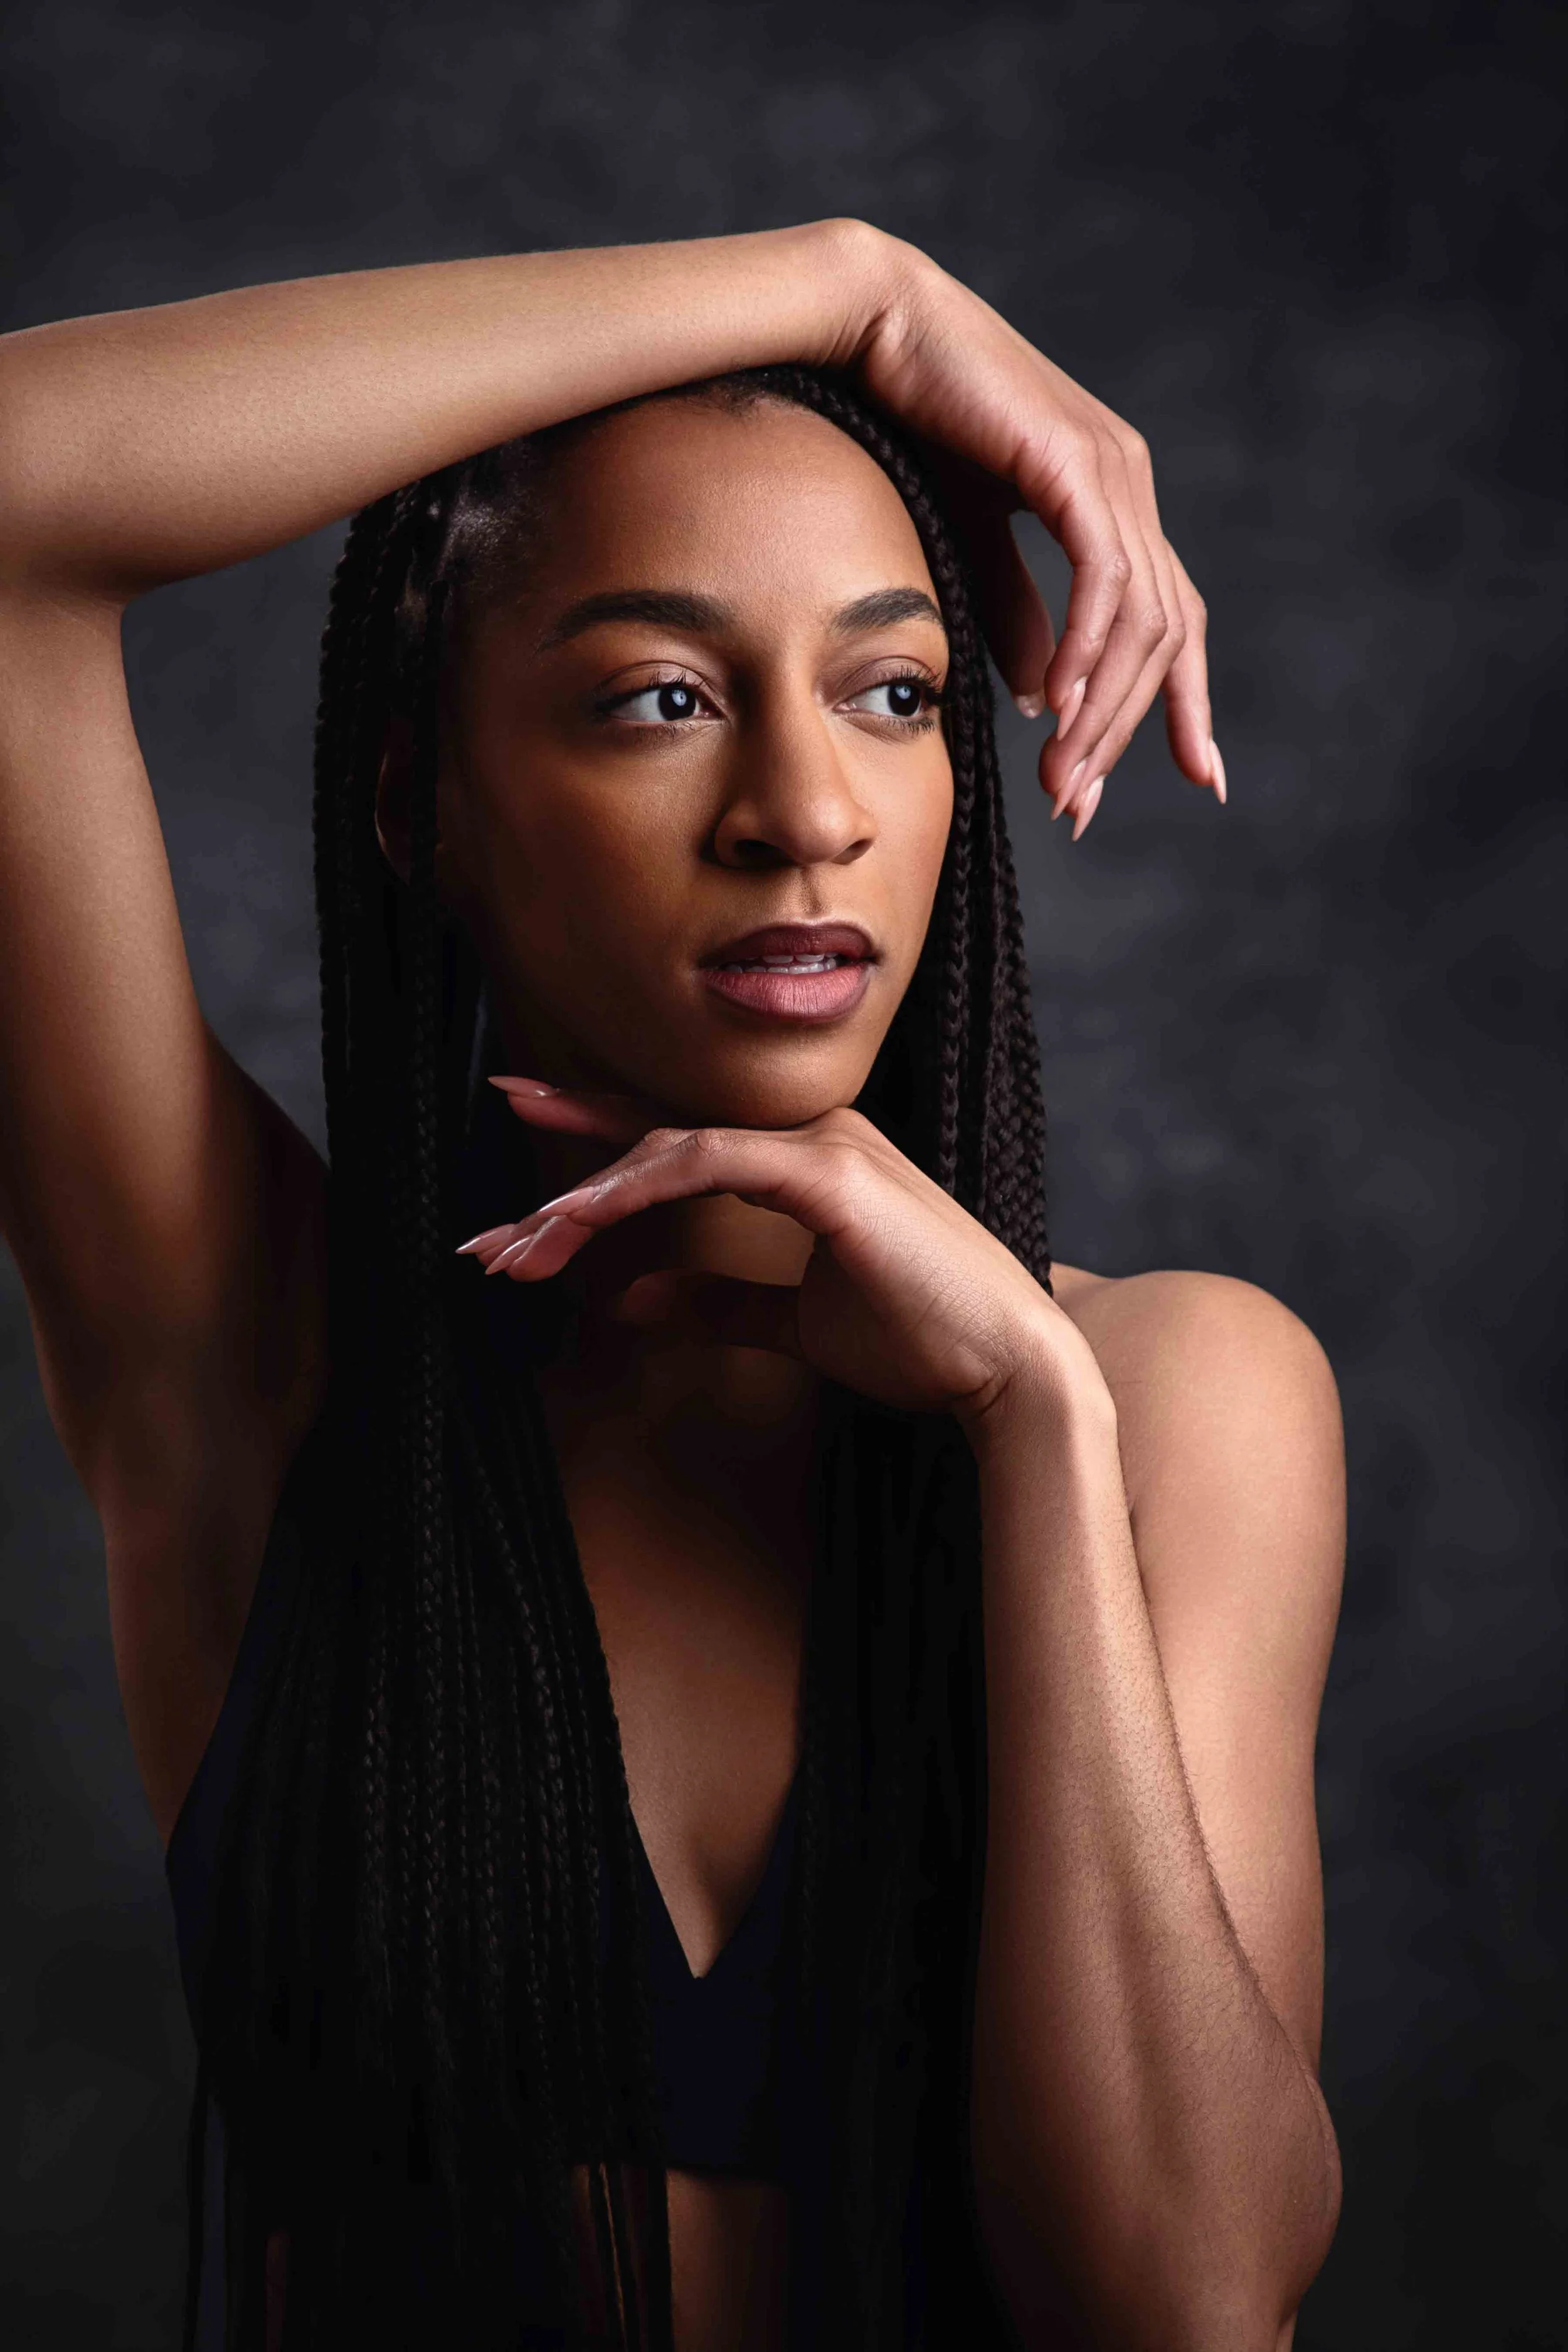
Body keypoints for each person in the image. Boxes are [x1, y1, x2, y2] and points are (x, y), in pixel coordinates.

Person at [0, 221, 1344, 2351]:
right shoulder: (257, 1363)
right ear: (418, 802)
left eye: (892, 694)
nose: (803, 813)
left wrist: (1030, 1424)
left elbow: (1183, 2296)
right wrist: (854, 289)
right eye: (661, 698)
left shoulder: (1164, 1391)